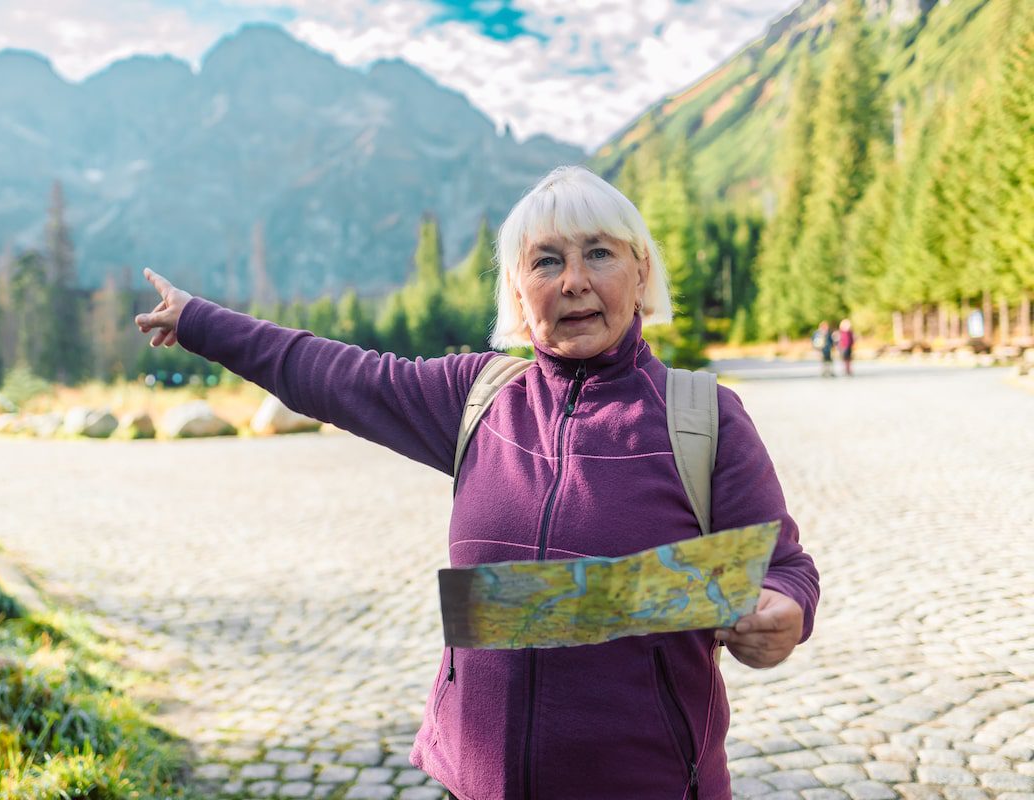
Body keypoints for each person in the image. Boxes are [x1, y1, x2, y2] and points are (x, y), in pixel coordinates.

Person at [135, 166, 820, 799]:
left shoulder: (702, 416)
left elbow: (783, 570)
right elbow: (334, 376)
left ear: (641, 272)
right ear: (519, 293)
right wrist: (201, 322)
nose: (574, 281)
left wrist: (782, 612)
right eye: (546, 261)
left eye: (599, 254)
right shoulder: (477, 397)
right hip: (480, 783)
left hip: (651, 782)